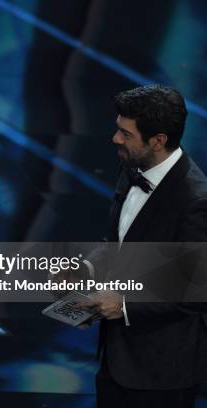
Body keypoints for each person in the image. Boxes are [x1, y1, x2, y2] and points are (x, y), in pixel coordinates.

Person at [81, 85, 207, 407]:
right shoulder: (132, 166)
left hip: (162, 373)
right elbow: (117, 242)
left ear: (158, 140)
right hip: (114, 361)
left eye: (126, 133)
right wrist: (86, 269)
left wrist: (123, 305)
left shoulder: (196, 200)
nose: (115, 139)